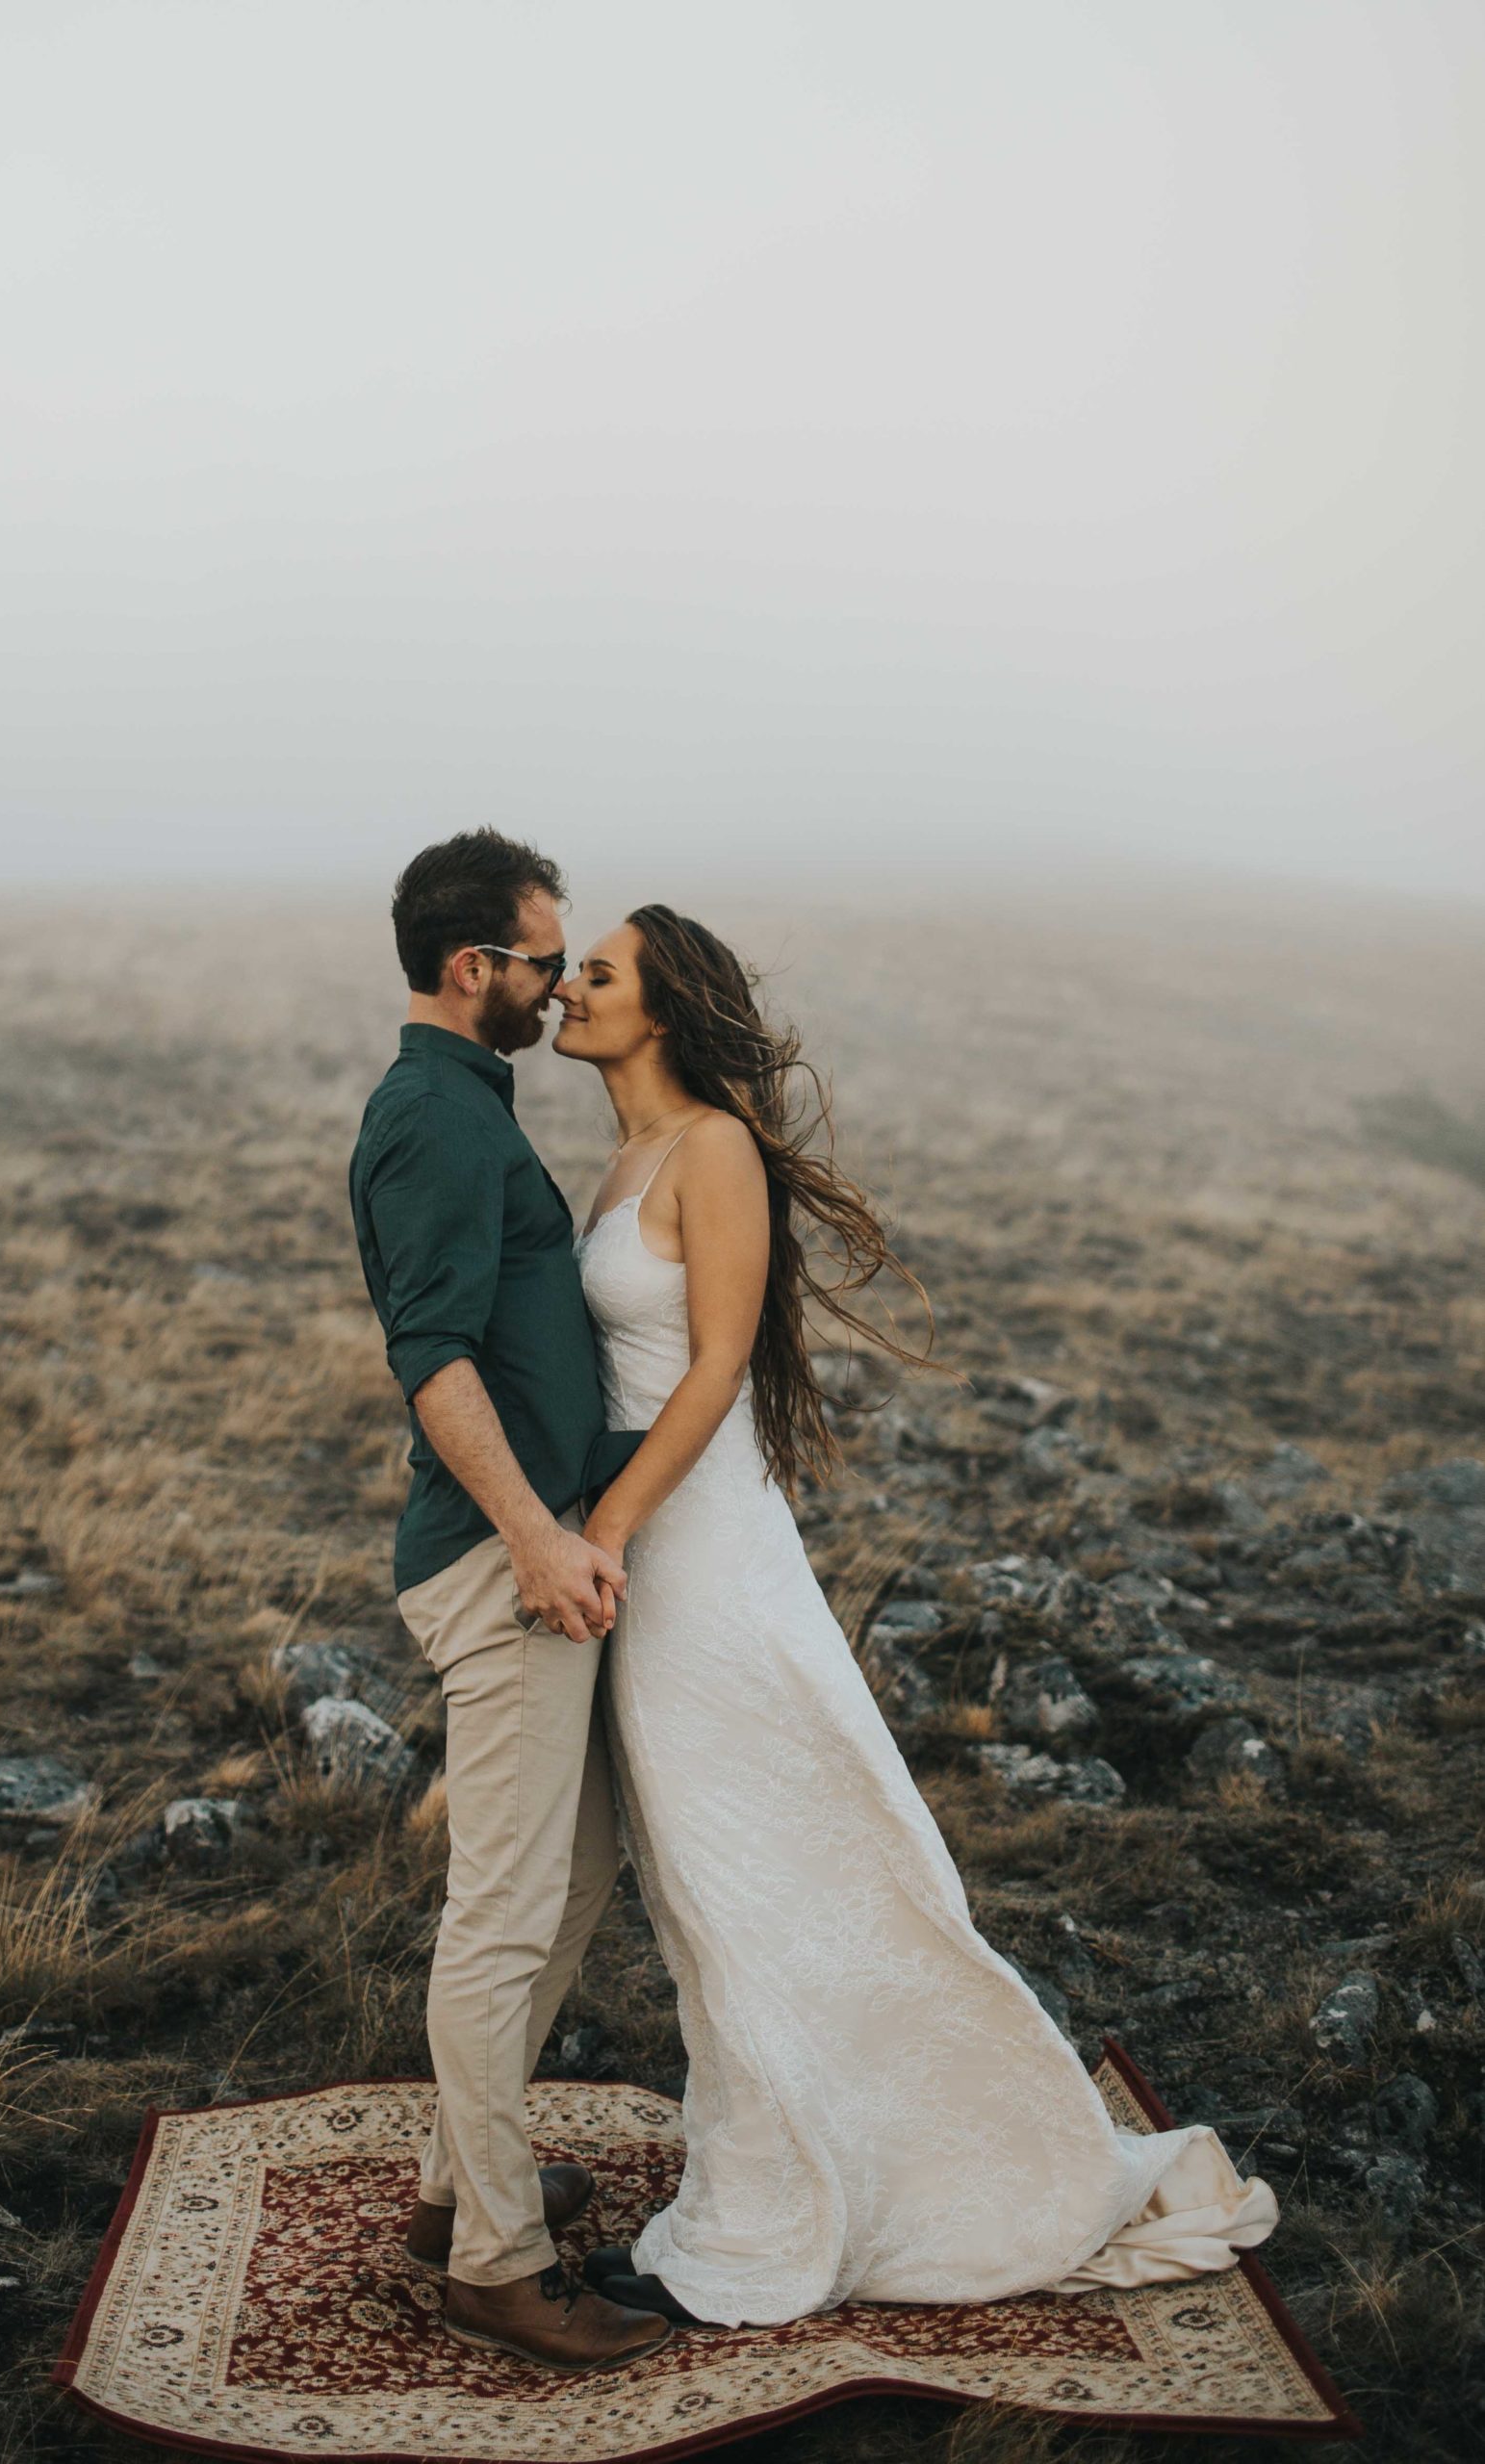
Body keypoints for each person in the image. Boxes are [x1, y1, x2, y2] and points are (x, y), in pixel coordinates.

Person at [550, 904, 1280, 2330]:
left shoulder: (713, 1150)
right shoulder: (627, 1156)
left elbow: (715, 1370)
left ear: (666, 1007)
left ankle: (832, 2199)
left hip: (701, 1554)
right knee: (704, 1883)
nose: (570, 985)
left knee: (769, 1862)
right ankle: (759, 2181)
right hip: (649, 1551)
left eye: (600, 971)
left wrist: (608, 1528)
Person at [347, 831, 672, 2374]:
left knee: (578, 1872)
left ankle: (452, 2185)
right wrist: (537, 1538)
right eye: (544, 960)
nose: (556, 985)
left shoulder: (469, 1102)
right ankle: (495, 2261)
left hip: (525, 1548)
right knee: (501, 1915)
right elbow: (431, 1354)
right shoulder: (430, 1118)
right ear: (473, 965)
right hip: (498, 1563)